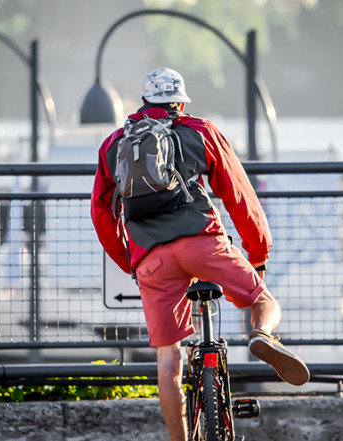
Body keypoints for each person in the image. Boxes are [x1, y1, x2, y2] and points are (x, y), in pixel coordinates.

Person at [91, 67, 310, 441]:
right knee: (264, 301)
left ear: (143, 102)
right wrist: (257, 254)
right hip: (203, 243)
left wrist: (132, 261)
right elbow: (238, 195)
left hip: (151, 261)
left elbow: (100, 211)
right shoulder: (199, 131)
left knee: (168, 357)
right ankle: (262, 336)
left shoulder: (114, 145)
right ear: (180, 102)